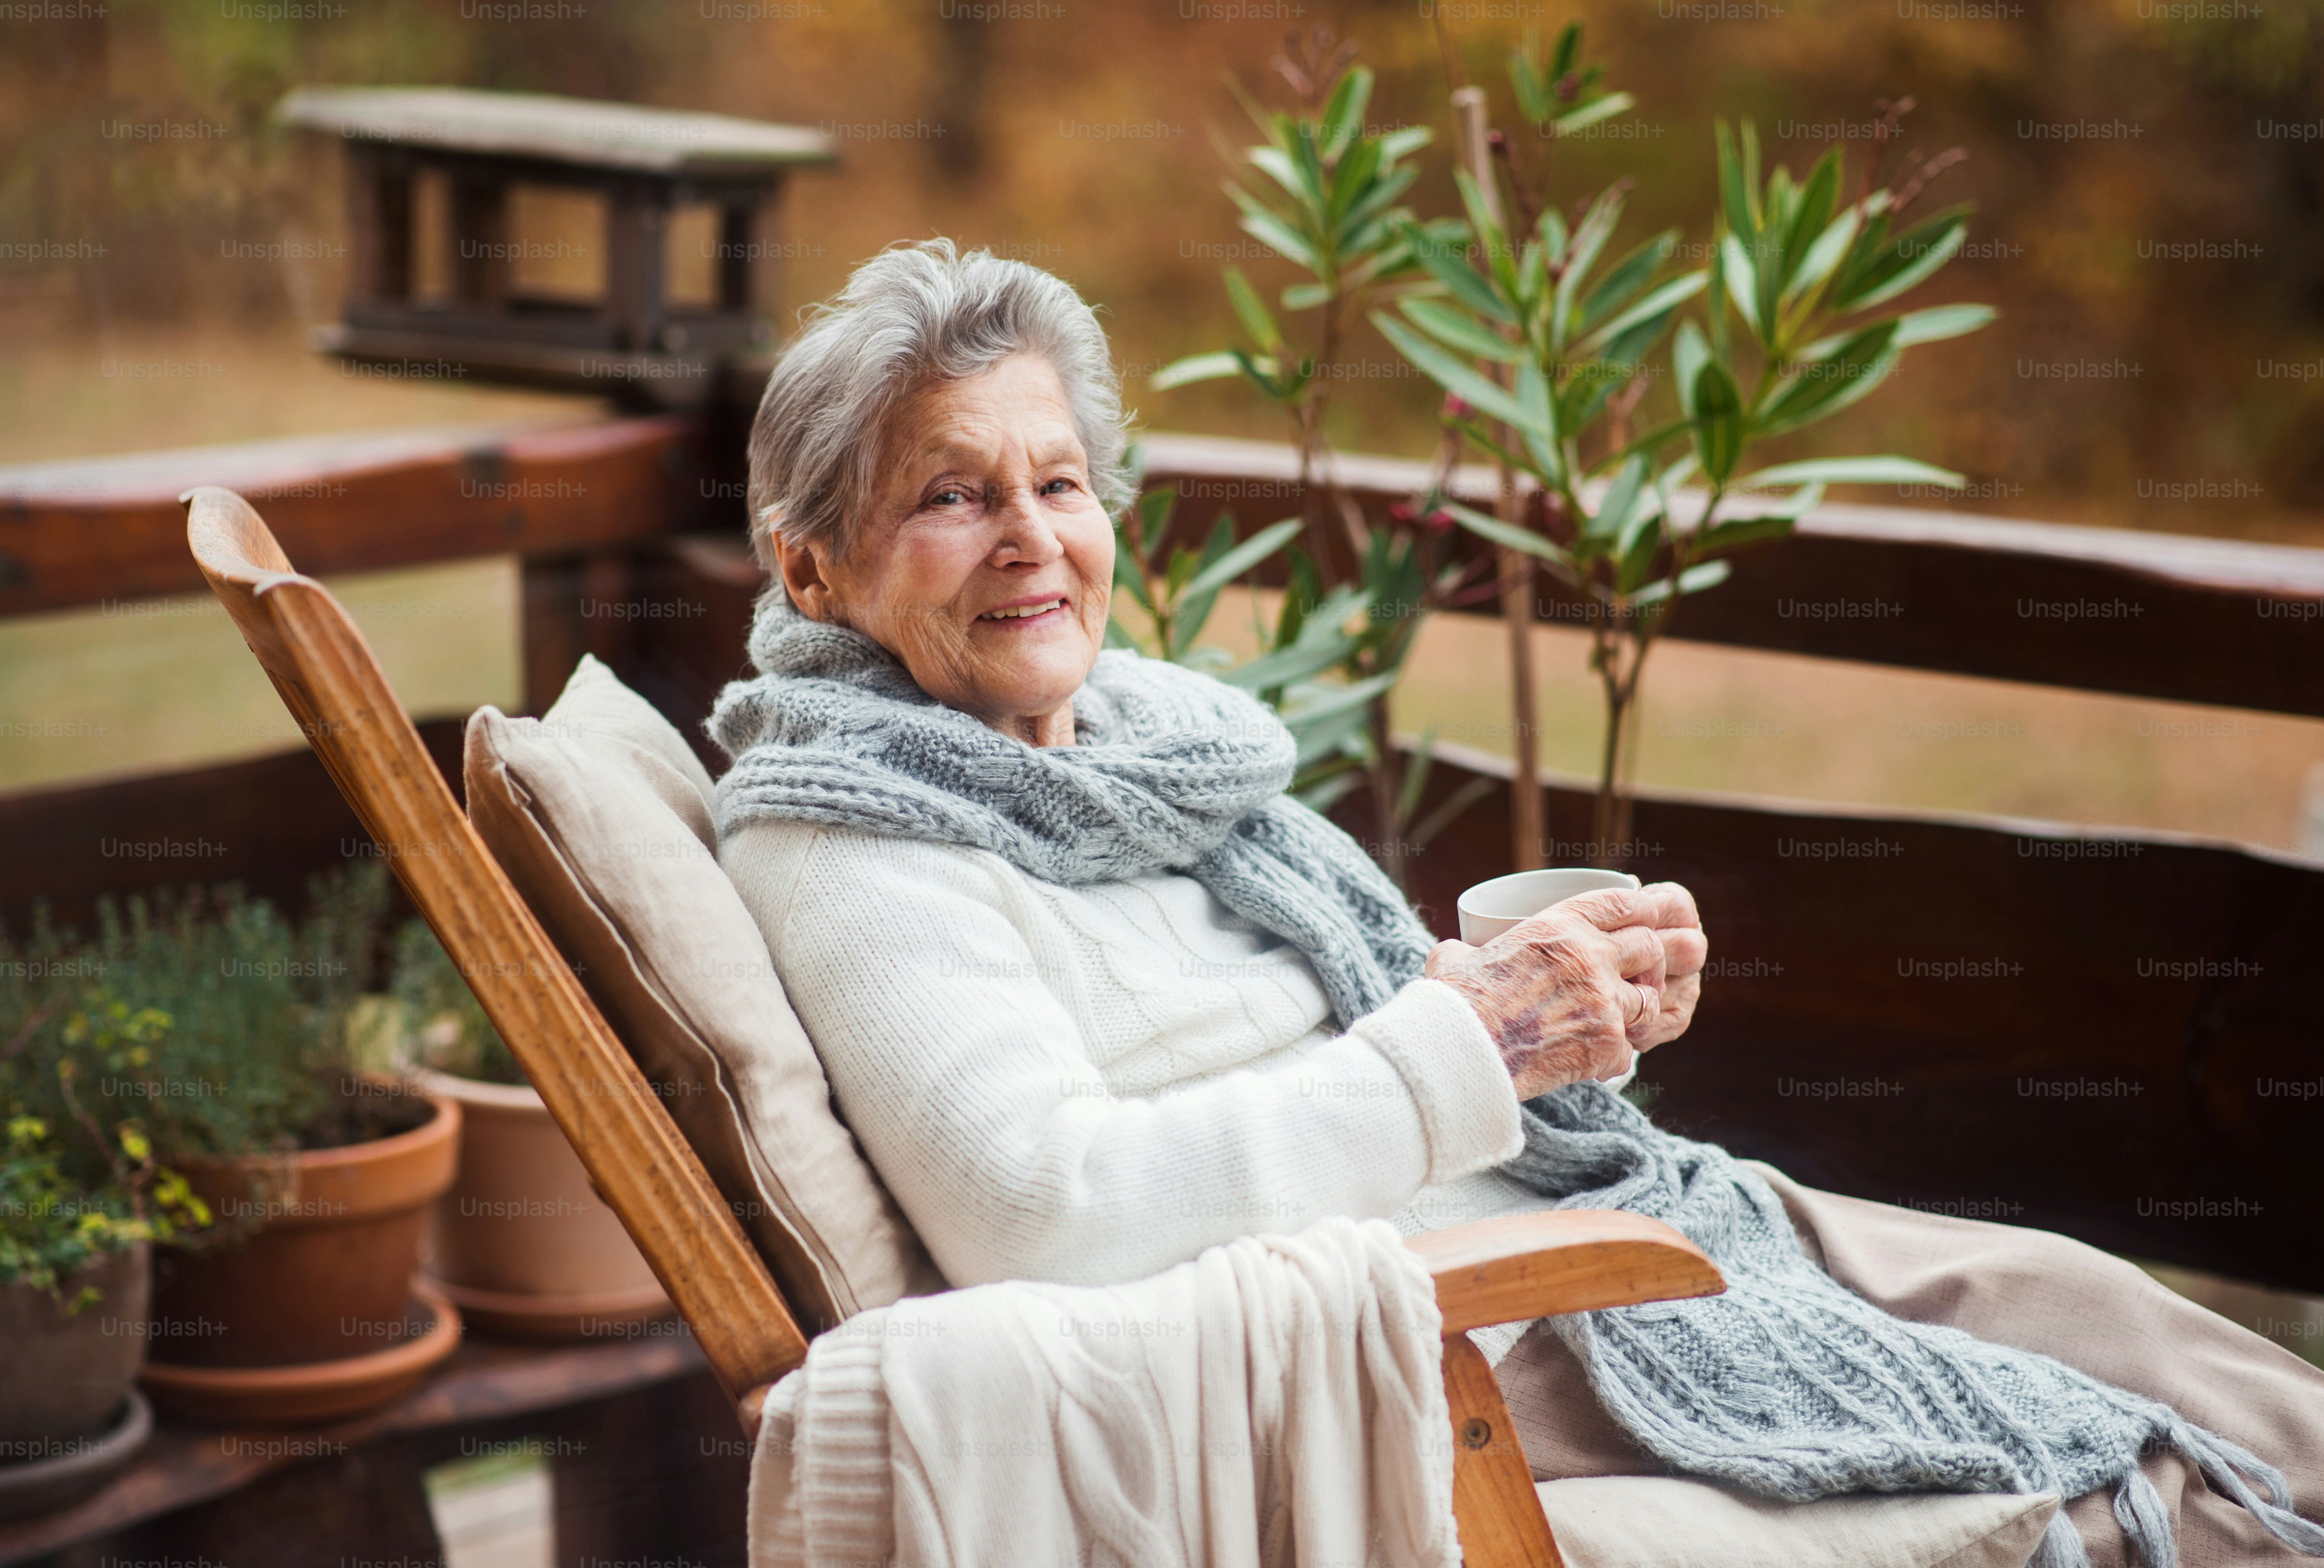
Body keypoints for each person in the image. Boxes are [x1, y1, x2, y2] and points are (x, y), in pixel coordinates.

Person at [708, 240, 2324, 1567]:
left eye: (1059, 484)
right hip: (1445, 1330)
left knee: (2128, 1323)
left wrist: (1558, 1019)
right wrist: (1468, 1042)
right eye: (952, 496)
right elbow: (1041, 1210)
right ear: (814, 573)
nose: (1030, 540)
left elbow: (1312, 1021)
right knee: (2168, 1478)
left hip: (1557, 1212)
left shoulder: (1134, 748)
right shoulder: (862, 849)